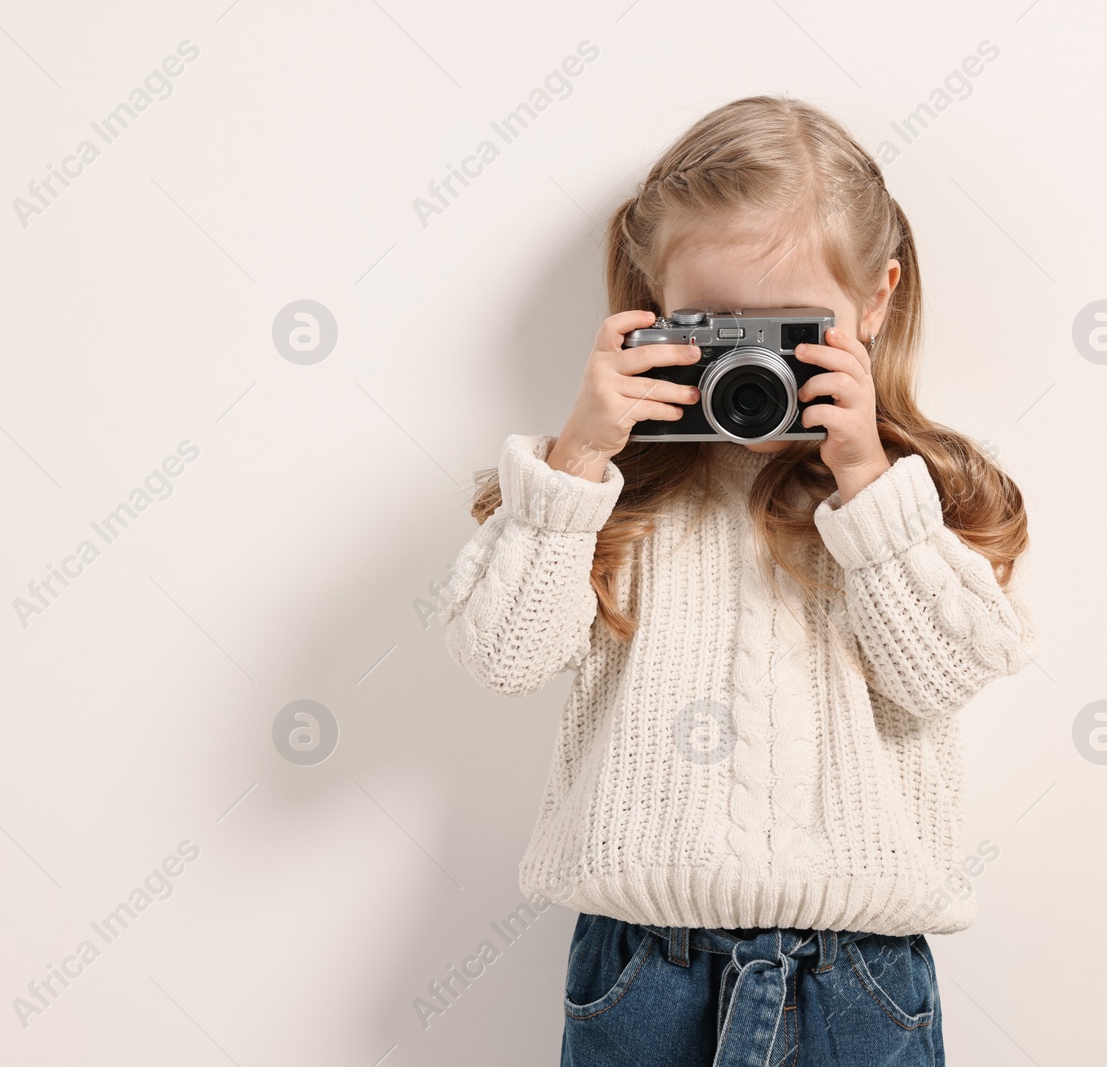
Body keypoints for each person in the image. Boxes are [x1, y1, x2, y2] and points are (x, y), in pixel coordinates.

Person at [436, 95, 1037, 1066]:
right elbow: (502, 656)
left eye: (790, 329)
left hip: (855, 978)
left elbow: (943, 676)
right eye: (715, 327)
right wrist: (577, 457)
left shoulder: (921, 496)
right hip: (639, 972)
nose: (749, 364)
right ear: (648, 304)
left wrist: (866, 481)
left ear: (874, 303)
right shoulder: (606, 493)